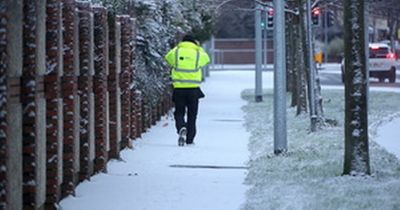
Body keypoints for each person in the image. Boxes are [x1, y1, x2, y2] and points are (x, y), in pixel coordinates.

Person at [164, 35, 210, 146]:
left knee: (179, 112)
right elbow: (206, 59)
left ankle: (181, 127)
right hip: (193, 89)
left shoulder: (176, 52)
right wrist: (198, 48)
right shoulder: (198, 53)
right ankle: (190, 139)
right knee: (192, 115)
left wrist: (177, 47)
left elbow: (168, 58)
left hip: (179, 88)